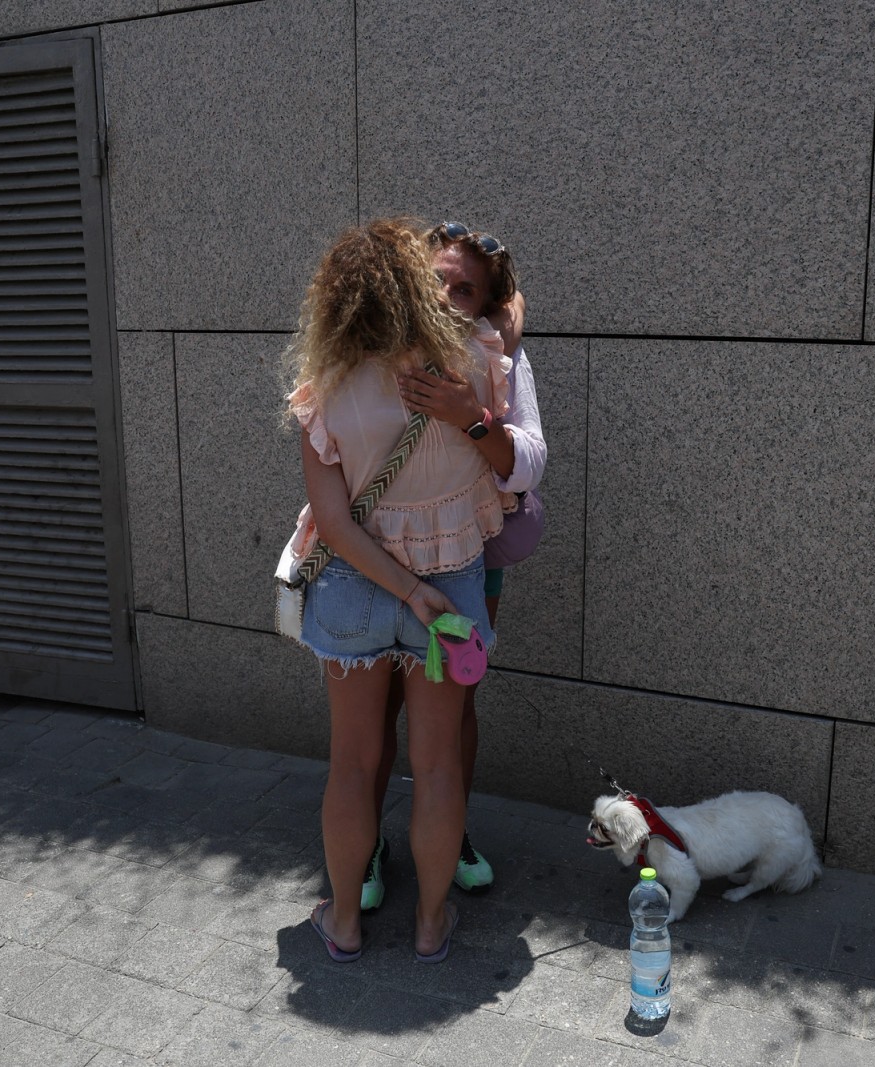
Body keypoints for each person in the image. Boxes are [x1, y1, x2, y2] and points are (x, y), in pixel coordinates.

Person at [283, 218, 516, 964]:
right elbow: (505, 351)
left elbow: (331, 522)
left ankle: (345, 921)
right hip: (452, 589)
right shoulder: (475, 363)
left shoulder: (326, 388)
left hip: (353, 585)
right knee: (439, 763)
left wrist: (404, 590)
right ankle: (430, 923)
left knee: (353, 761)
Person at [358, 221, 547, 910]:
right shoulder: (369, 340)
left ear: (484, 304)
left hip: (466, 553)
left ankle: (450, 833)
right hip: (372, 558)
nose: (444, 296)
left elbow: (529, 463)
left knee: (454, 702)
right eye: (434, 280)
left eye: (463, 289)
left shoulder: (496, 355)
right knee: (376, 707)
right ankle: (364, 842)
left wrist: (473, 415)